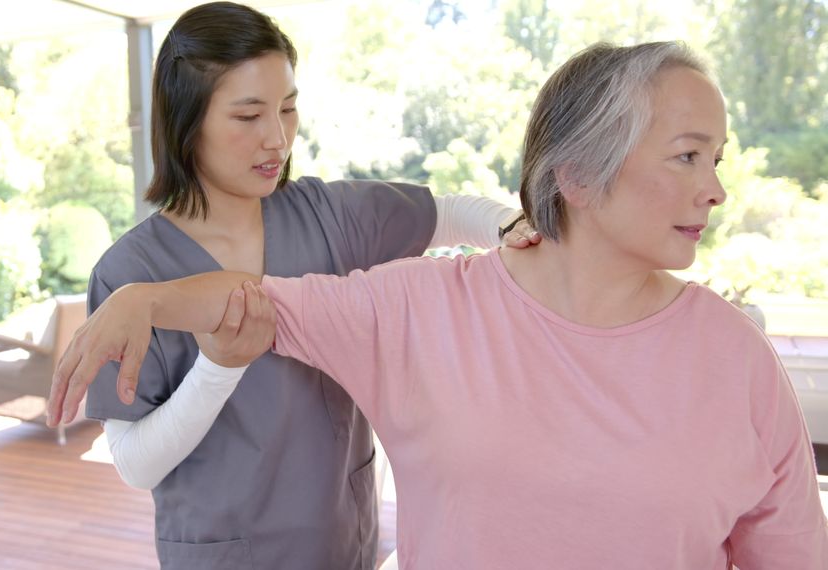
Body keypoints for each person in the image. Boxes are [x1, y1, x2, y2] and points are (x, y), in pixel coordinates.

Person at [50, 41, 828, 568]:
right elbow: (253, 303)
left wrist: (503, 222)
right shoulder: (418, 309)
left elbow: (790, 555)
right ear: (579, 177)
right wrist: (144, 301)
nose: (717, 189)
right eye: (687, 156)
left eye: (715, 159)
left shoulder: (735, 358)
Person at [45, 2, 537, 569]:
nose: (277, 139)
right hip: (222, 555)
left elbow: (448, 212)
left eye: (289, 108)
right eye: (248, 116)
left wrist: (510, 228)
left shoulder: (328, 215)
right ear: (187, 121)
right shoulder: (131, 271)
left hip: (342, 541)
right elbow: (134, 462)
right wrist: (219, 367)